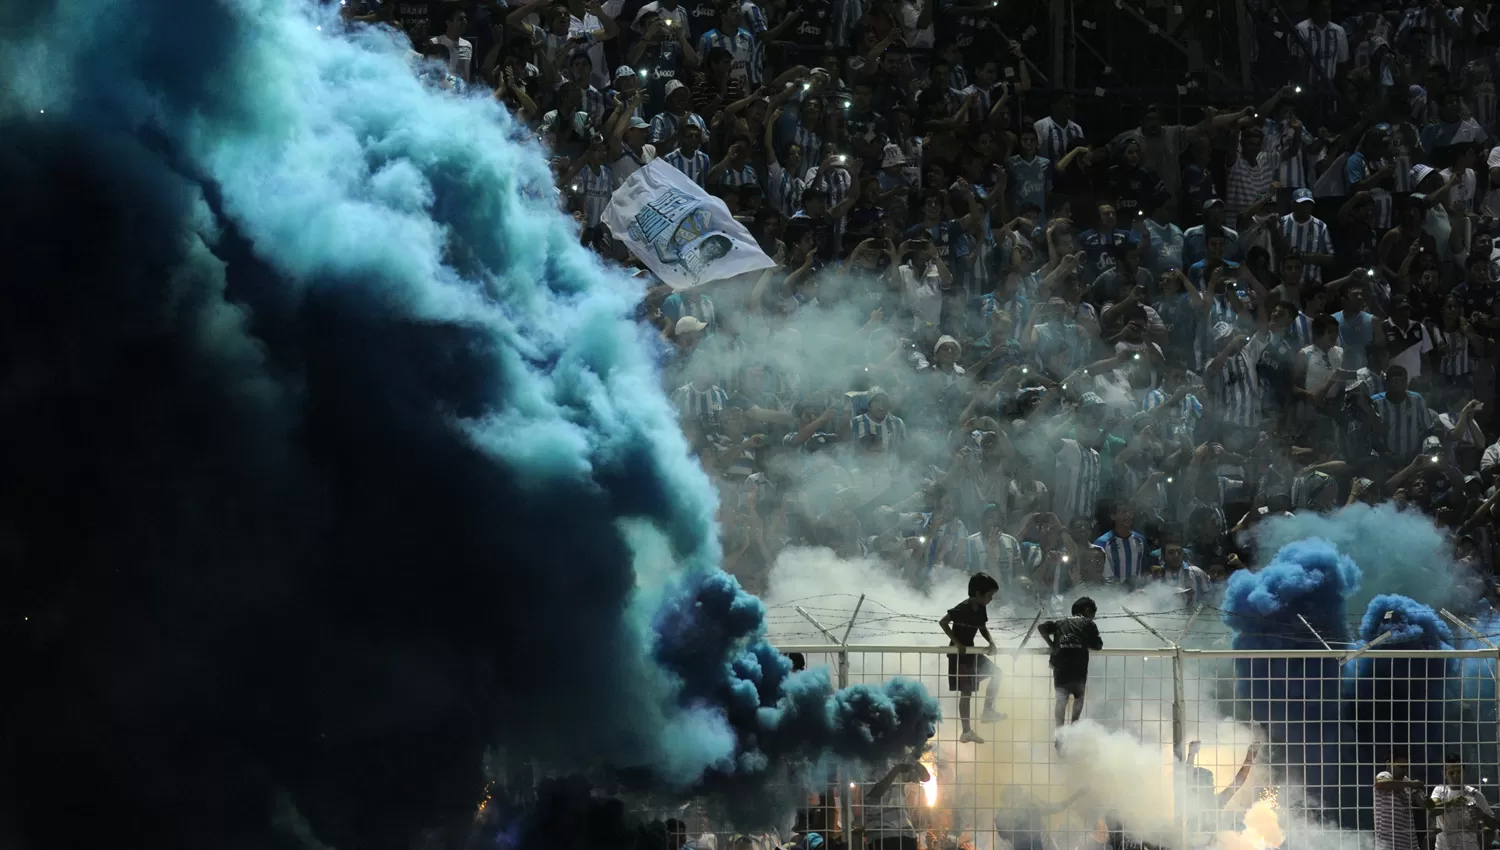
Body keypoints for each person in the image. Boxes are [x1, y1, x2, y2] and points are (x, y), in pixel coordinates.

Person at [938, 572, 1005, 744]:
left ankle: (988, 710)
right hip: (959, 655)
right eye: (989, 595)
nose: (990, 599)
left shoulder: (981, 608)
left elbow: (982, 626)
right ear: (978, 594)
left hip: (972, 652)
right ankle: (966, 731)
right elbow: (943, 622)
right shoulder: (962, 608)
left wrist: (991, 642)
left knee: (996, 673)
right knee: (966, 692)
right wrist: (957, 643)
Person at [1038, 596, 1102, 731]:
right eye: (1092, 614)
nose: (1093, 618)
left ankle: (1059, 732)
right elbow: (1098, 645)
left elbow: (1041, 627)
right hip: (1078, 666)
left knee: (1061, 699)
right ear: (1087, 610)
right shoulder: (1088, 624)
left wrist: (1052, 645)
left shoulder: (1060, 623)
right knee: (1079, 697)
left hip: (1059, 666)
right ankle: (1073, 728)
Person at [1431, 754, 1499, 850]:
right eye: (1451, 773)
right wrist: (1451, 802)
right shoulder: (1439, 791)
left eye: (1459, 772)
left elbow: (1494, 824)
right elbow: (1432, 810)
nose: (1456, 776)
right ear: (1444, 774)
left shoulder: (1474, 794)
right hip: (1444, 847)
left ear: (1464, 772)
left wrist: (1482, 815)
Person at [1374, 750, 1426, 850]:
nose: (1404, 770)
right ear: (1389, 764)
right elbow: (1381, 783)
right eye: (1401, 766)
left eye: (1406, 767)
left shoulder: (1406, 780)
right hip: (1388, 844)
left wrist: (1417, 790)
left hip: (1409, 843)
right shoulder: (1385, 775)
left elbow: (1424, 805)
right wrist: (1411, 784)